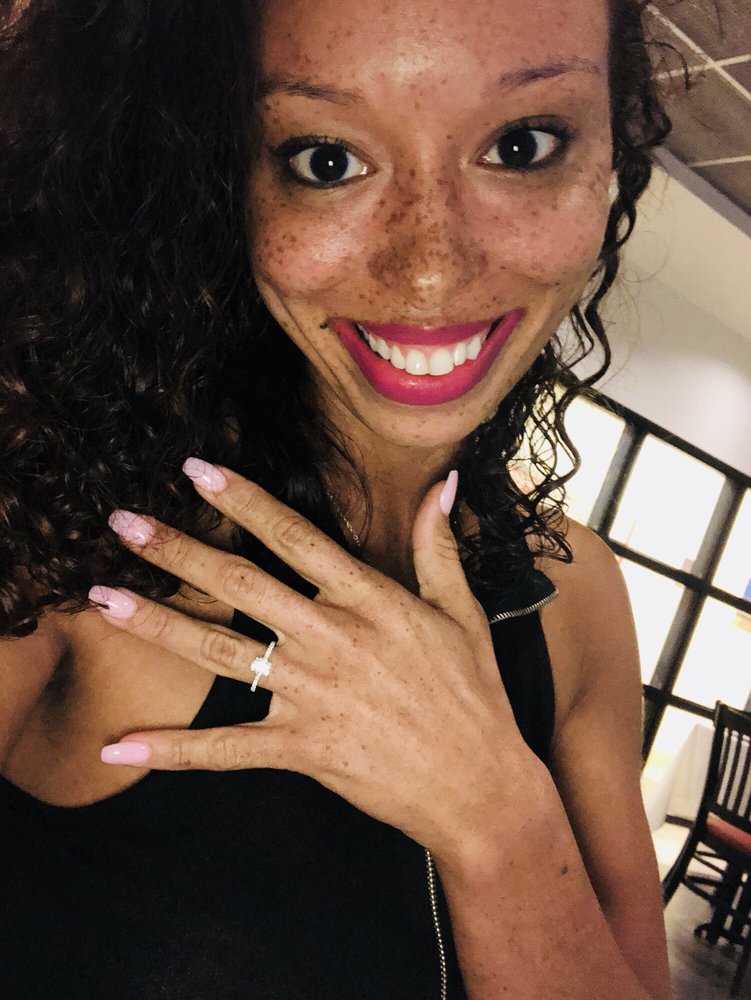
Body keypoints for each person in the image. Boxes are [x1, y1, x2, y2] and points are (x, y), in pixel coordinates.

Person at [0, 0, 675, 997]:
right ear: (219, 179)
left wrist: (497, 820)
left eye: (522, 145)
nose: (431, 266)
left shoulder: (578, 599)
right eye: (326, 160)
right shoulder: (62, 540)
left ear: (611, 155)